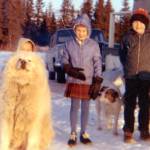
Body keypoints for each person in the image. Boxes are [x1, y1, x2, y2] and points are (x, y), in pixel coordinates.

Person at [62, 14, 103, 146]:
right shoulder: (68, 44)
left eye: (84, 31)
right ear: (74, 30)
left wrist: (98, 79)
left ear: (88, 31)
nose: (81, 33)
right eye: (78, 30)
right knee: (74, 107)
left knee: (85, 108)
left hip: (88, 81)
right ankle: (73, 133)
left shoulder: (93, 45)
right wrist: (68, 69)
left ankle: (83, 133)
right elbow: (64, 59)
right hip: (74, 80)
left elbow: (97, 62)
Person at [120, 8, 150, 143]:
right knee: (129, 104)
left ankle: (144, 129)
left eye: (141, 22)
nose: (138, 25)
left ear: (146, 24)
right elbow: (122, 56)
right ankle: (128, 130)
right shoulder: (127, 38)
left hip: (146, 77)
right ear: (132, 23)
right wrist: (127, 68)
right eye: (135, 22)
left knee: (145, 104)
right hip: (131, 76)